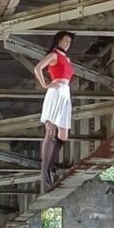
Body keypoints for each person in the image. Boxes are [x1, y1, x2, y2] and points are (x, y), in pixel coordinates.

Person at [33, 31, 75, 193]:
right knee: (50, 131)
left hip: (65, 92)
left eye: (69, 42)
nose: (67, 44)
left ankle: (51, 166)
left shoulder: (67, 59)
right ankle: (45, 171)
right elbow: (38, 68)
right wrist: (45, 84)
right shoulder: (54, 55)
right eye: (65, 41)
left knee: (63, 134)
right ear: (58, 41)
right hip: (56, 91)